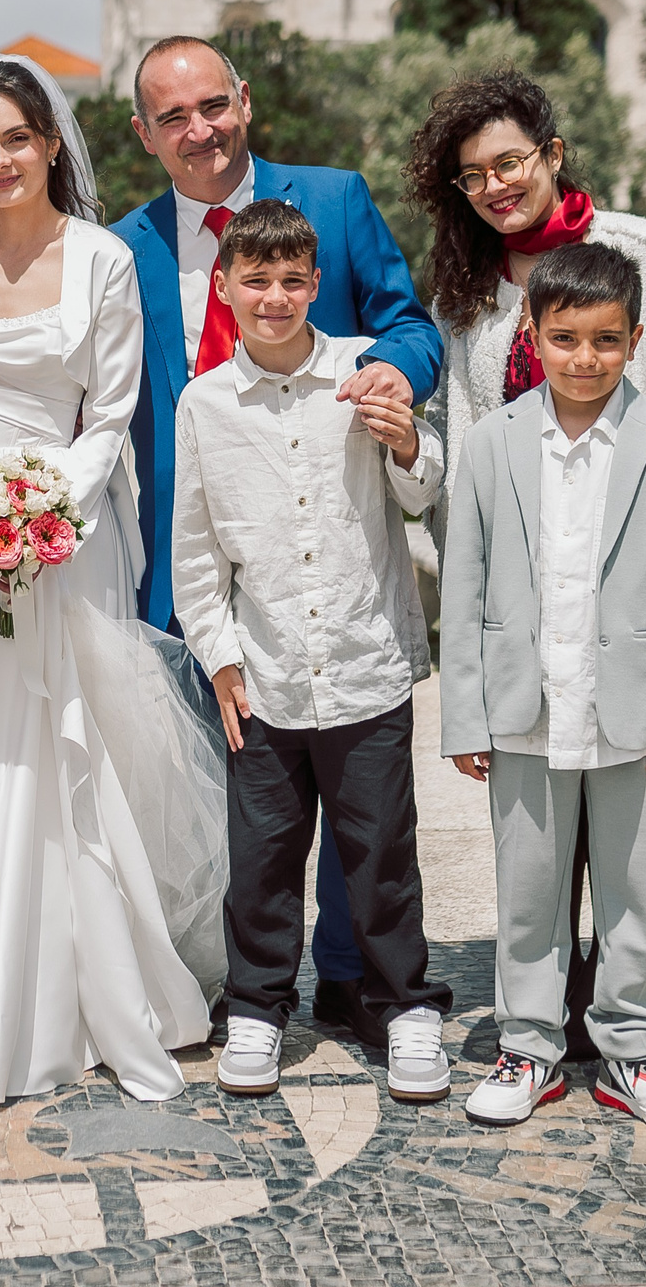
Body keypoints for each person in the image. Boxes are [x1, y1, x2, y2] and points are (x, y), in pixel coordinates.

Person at [0, 54, 227, 1105]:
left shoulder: (102, 261)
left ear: (51, 143)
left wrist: (42, 514)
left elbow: (110, 414)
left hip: (56, 525)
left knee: (47, 747)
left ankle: (63, 990)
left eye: (15, 139)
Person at [109, 34, 443, 1048]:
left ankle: (355, 975)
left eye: (213, 105)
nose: (199, 130)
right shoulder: (121, 247)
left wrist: (392, 380)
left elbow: (409, 322)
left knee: (357, 790)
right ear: (144, 134)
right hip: (191, 558)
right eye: (173, 116)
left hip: (332, 546)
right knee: (230, 794)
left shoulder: (332, 202)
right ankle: (232, 980)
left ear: (244, 101)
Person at [408, 66, 646, 1061]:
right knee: (535, 834)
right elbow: (455, 432)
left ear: (552, 152)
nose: (495, 186)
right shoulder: (465, 290)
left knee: (629, 824)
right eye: (473, 175)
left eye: (510, 161)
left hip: (629, 575)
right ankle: (538, 1020)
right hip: (524, 591)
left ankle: (622, 1016)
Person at [440, 241, 646, 1141]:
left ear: (636, 339)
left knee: (638, 894)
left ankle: (636, 1052)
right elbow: (464, 585)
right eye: (565, 337)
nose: (585, 357)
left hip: (636, 716)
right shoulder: (490, 442)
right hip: (525, 710)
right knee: (528, 892)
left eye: (607, 339)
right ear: (532, 334)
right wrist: (464, 713)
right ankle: (527, 1046)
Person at [169, 200, 454, 1105]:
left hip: (366, 663)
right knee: (263, 857)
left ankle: (406, 1003)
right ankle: (258, 1007)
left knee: (381, 854)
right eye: (256, 280)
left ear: (317, 284)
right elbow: (196, 553)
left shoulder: (365, 373)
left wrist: (407, 441)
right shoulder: (203, 404)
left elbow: (422, 492)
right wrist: (220, 656)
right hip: (266, 675)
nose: (275, 296)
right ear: (224, 287)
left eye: (293, 280)